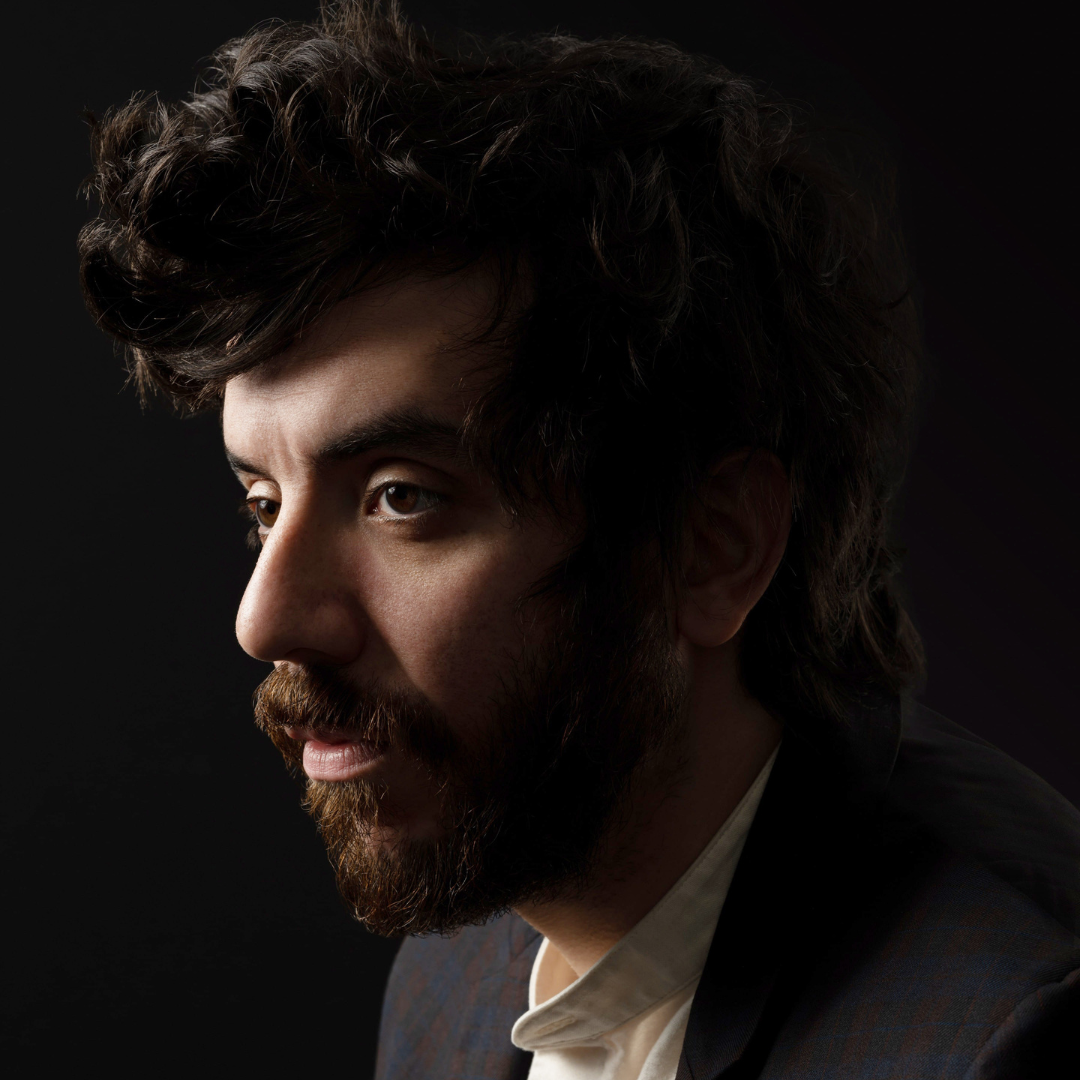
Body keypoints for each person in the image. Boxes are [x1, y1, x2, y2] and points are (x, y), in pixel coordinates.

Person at [78, 2, 1079, 1076]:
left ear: (713, 546)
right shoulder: (461, 954)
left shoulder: (1014, 1026)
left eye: (401, 498)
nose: (265, 619)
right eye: (264, 504)